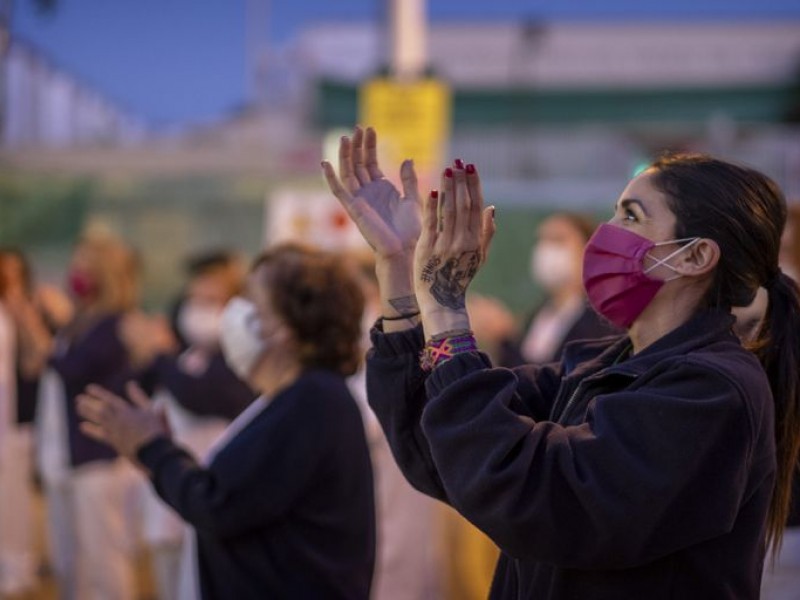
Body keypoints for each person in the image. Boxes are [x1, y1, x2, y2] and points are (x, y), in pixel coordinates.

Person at [322, 126, 800, 599]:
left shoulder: (713, 389)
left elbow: (544, 499)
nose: (606, 233)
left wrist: (447, 310)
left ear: (694, 256)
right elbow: (439, 449)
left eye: (631, 217)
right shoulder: (591, 367)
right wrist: (401, 271)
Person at [77, 243, 376, 600]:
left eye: (251, 300)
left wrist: (153, 448)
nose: (235, 312)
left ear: (283, 328)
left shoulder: (313, 401)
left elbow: (215, 504)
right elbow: (235, 493)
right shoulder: (292, 398)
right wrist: (157, 453)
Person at [119, 250, 256, 600]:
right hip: (173, 480)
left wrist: (159, 353)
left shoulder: (240, 359)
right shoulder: (186, 354)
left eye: (212, 301)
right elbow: (145, 386)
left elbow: (198, 394)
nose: (200, 309)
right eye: (196, 298)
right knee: (169, 575)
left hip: (212, 485)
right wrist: (146, 353)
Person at [35, 233, 145, 600]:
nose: (75, 274)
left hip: (98, 456)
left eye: (83, 267)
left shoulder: (113, 324)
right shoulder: (81, 321)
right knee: (71, 560)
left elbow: (72, 368)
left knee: (104, 557)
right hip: (67, 454)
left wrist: (51, 322)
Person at [0, 249, 71, 595]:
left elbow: (38, 361)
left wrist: (25, 314)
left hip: (15, 419)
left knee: (12, 496)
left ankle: (17, 562)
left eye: (17, 272)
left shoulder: (33, 306)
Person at [499, 212, 620, 367]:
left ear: (588, 250)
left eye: (557, 240)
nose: (545, 250)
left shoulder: (602, 318)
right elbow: (524, 375)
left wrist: (505, 339)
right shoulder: (539, 312)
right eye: (541, 240)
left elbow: (561, 380)